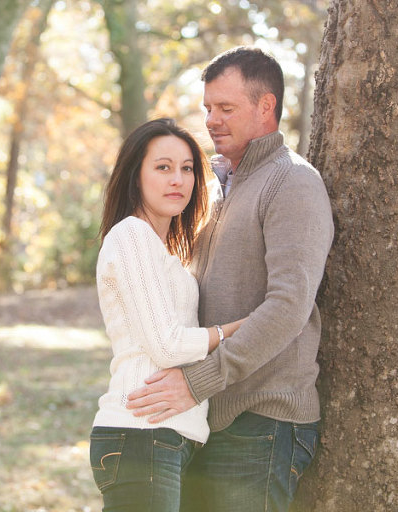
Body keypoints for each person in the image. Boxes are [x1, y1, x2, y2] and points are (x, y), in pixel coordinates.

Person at [125, 47, 335, 511]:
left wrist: (198, 380)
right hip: (209, 417)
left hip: (262, 421)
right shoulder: (220, 186)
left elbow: (289, 308)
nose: (212, 120)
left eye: (226, 108)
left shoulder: (293, 182)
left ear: (266, 106)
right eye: (207, 109)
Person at [90, 118, 246, 512]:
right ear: (135, 176)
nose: (177, 179)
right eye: (163, 167)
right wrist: (236, 331)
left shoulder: (169, 254)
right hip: (142, 434)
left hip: (172, 437)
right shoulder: (130, 236)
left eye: (187, 168)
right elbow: (166, 345)